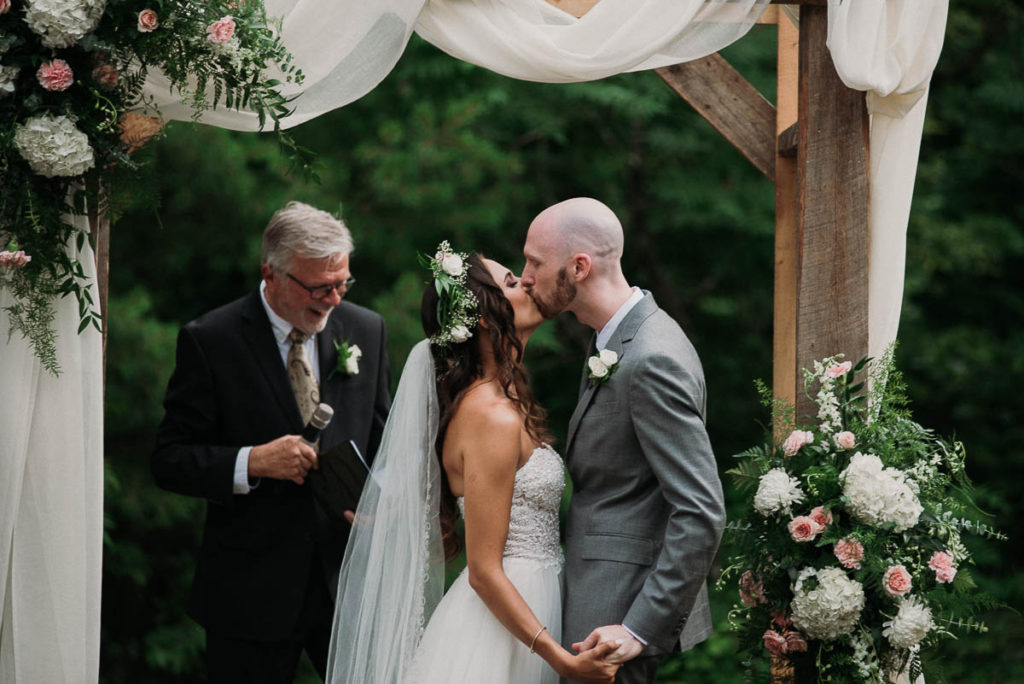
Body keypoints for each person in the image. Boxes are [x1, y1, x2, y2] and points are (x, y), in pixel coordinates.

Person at [326, 243, 618, 684]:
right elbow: (483, 571)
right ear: (483, 317)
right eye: (511, 282)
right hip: (497, 633)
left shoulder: (503, 401)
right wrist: (562, 660)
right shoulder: (490, 416)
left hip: (529, 609)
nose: (527, 282)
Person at [152, 201, 391, 683]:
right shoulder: (210, 340)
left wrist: (382, 500)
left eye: (343, 283)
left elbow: (385, 443)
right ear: (272, 273)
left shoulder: (366, 329)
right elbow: (169, 460)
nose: (334, 300)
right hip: (248, 593)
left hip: (347, 587)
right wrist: (251, 462)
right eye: (320, 287)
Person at [521, 197, 727, 684]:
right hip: (597, 592)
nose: (525, 276)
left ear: (579, 266)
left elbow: (701, 510)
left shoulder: (652, 358)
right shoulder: (610, 339)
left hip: (616, 614)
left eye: (534, 262)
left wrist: (638, 628)